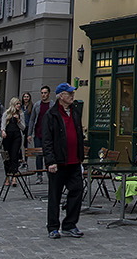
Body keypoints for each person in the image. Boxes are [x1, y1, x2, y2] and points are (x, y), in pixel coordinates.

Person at [39, 82, 85, 240]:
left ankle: (70, 224)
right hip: (57, 163)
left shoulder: (75, 112)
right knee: (55, 196)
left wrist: (80, 157)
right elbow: (47, 140)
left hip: (74, 161)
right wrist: (50, 161)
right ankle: (53, 227)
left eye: (72, 93)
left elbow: (78, 134)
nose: (72, 96)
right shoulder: (51, 115)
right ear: (60, 96)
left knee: (77, 191)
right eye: (69, 93)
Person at [0, 97, 24, 175]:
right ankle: (7, 174)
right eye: (17, 104)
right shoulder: (6, 113)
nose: (19, 105)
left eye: (19, 104)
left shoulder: (20, 114)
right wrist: (3, 131)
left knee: (15, 155)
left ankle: (14, 174)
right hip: (8, 136)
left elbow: (23, 127)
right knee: (7, 156)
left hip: (16, 136)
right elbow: (3, 124)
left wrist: (18, 121)